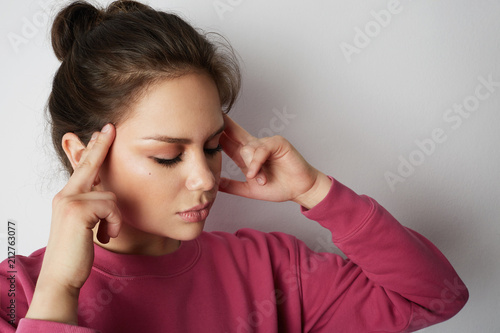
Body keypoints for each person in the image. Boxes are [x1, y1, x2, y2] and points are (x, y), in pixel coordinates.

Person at [0, 1, 468, 332]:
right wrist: (59, 290)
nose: (205, 179)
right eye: (167, 155)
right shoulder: (14, 295)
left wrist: (317, 192)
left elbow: (434, 297)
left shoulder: (270, 271)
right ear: (84, 156)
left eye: (209, 146)